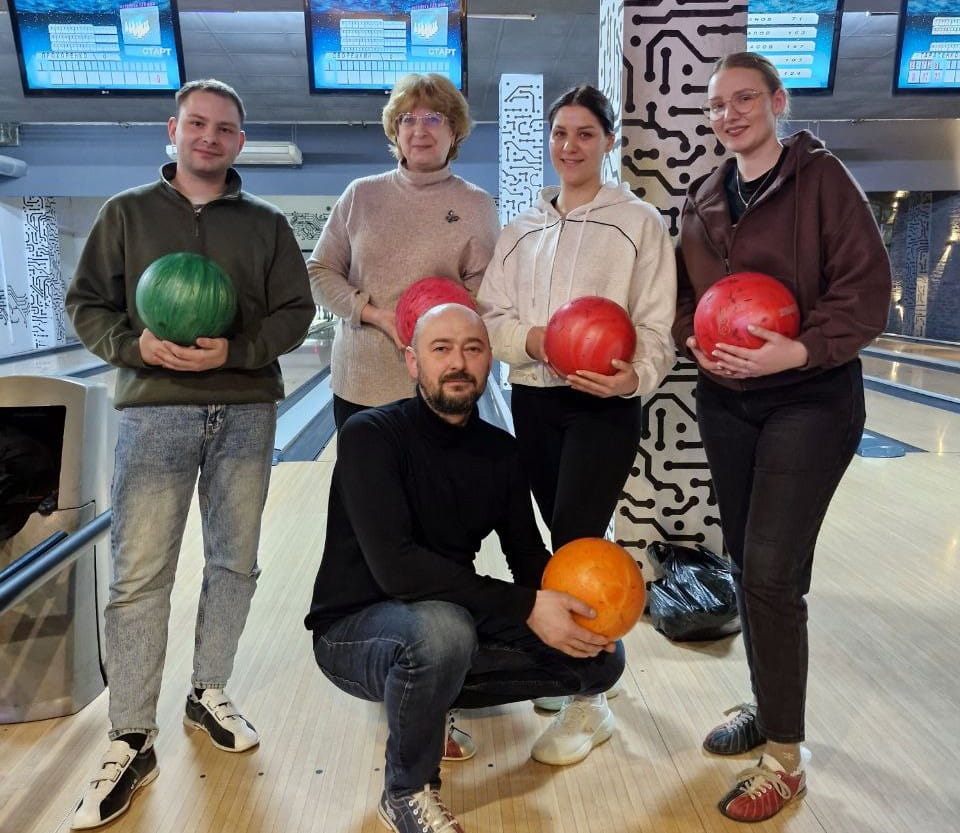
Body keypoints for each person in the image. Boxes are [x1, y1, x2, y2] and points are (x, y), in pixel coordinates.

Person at [65, 78, 315, 829]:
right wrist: (132, 345)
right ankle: (130, 734)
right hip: (155, 409)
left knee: (235, 561)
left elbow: (296, 312)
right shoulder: (125, 214)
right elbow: (86, 304)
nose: (210, 137)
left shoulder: (266, 224)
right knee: (141, 572)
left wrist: (235, 351)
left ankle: (208, 689)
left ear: (240, 142)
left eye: (225, 128)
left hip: (245, 409)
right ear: (172, 130)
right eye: (197, 124)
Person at [305, 304, 624, 833]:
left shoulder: (500, 452)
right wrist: (527, 607)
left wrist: (579, 608)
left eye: (473, 349)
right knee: (442, 633)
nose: (458, 362)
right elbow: (397, 569)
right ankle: (406, 791)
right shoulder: (370, 436)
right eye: (441, 349)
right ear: (413, 362)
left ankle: (429, 698)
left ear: (488, 361)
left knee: (599, 660)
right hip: (353, 630)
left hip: (445, 612)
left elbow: (526, 555)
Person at [674, 52, 892, 822]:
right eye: (716, 104)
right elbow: (685, 297)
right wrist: (694, 340)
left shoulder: (823, 181)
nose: (728, 114)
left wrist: (796, 350)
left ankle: (785, 759)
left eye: (743, 99)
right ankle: (769, 708)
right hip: (728, 400)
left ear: (777, 101)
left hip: (811, 396)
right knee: (749, 563)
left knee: (769, 570)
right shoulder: (703, 196)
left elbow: (866, 292)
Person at [478, 83, 676, 553]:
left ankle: (586, 604)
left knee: (574, 533)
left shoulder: (639, 221)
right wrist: (535, 341)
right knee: (562, 534)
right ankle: (581, 600)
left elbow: (655, 324)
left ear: (609, 141)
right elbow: (490, 317)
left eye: (585, 134)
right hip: (532, 400)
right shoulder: (520, 230)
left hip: (603, 403)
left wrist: (634, 378)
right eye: (560, 133)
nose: (570, 146)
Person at [307, 72, 499, 431]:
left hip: (440, 384)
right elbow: (319, 272)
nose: (419, 129)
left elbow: (486, 292)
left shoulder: (476, 204)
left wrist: (437, 328)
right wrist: (377, 315)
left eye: (433, 118)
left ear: (454, 131)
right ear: (395, 130)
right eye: (407, 119)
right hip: (362, 381)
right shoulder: (360, 194)